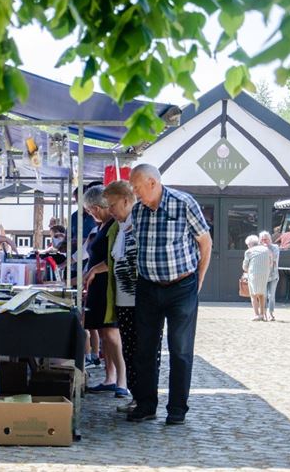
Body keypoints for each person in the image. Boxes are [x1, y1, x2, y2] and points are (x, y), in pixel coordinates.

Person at [127, 164, 212, 425]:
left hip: (181, 286)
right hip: (148, 287)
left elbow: (205, 243)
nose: (135, 193)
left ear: (152, 182)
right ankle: (146, 405)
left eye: (137, 187)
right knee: (144, 349)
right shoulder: (138, 211)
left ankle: (177, 409)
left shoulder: (184, 203)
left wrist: (198, 280)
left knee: (181, 350)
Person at [103, 181, 162, 412]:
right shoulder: (119, 228)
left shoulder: (140, 224)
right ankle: (137, 397)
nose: (110, 210)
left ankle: (145, 400)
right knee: (130, 350)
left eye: (112, 205)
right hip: (123, 301)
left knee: (144, 351)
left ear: (127, 201)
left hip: (142, 301)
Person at [81, 185, 128, 397]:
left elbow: (115, 258)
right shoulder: (102, 226)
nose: (91, 214)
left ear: (98, 207)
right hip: (97, 285)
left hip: (108, 285)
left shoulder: (115, 226)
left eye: (91, 210)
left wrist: (93, 270)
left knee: (111, 333)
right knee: (103, 332)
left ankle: (122, 379)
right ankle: (110, 377)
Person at [243, 235, 273, 322]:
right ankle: (262, 314)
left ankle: (256, 315)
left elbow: (245, 266)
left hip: (254, 274)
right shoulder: (266, 250)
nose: (248, 247)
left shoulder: (249, 252)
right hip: (265, 274)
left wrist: (246, 270)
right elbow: (271, 262)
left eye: (248, 245)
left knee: (253, 295)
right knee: (262, 294)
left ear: (250, 244)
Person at [259, 230, 280, 321]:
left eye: (266, 239)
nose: (264, 241)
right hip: (263, 275)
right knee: (263, 295)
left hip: (273, 275)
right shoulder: (258, 249)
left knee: (271, 296)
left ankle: (271, 313)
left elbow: (274, 258)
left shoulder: (275, 247)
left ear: (270, 239)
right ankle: (263, 313)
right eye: (262, 240)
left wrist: (267, 249)